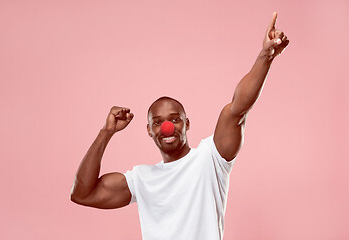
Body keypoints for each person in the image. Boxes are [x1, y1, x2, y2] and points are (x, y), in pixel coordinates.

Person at [70, 12, 289, 240]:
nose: (167, 127)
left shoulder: (210, 159)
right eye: (158, 122)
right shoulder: (141, 179)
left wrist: (265, 56)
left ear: (187, 124)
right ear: (149, 131)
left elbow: (237, 109)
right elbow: (82, 194)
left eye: (175, 119)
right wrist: (106, 133)